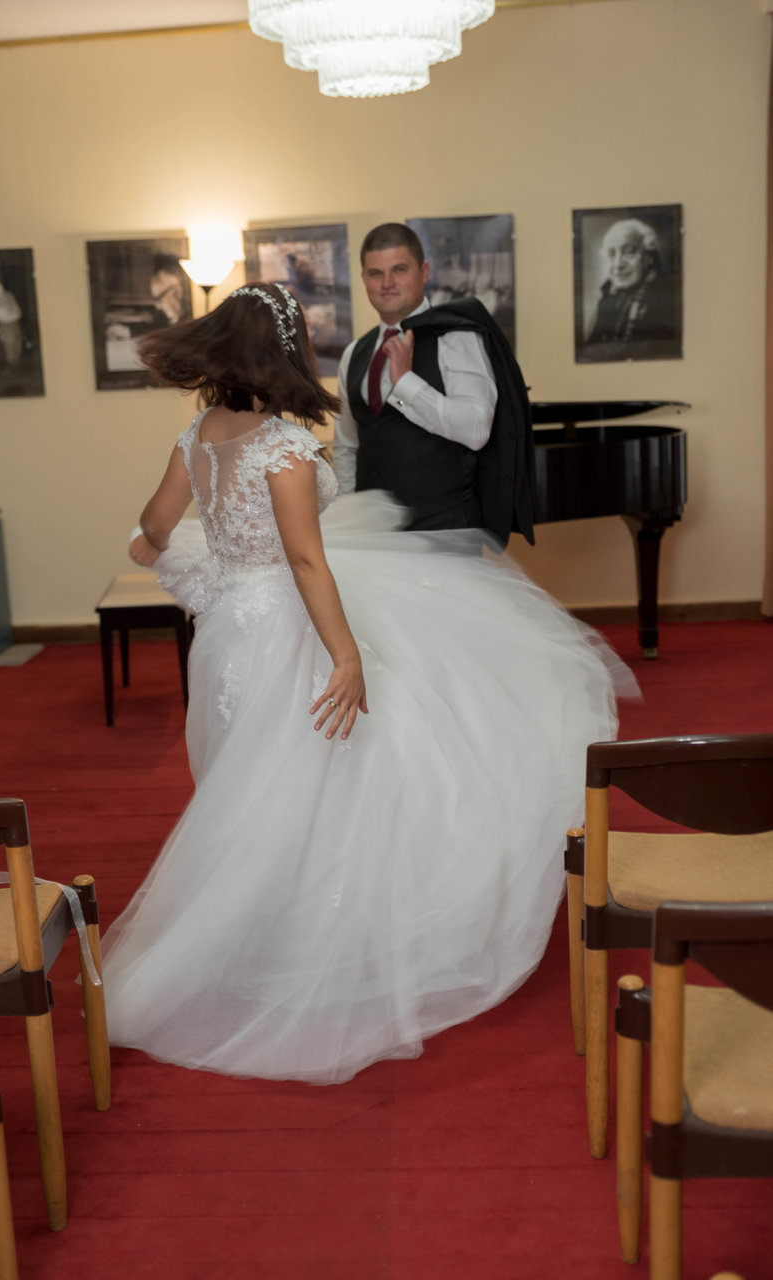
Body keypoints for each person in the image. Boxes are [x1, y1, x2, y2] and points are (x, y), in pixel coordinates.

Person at [101, 280, 633, 1086]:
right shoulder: (283, 446)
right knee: (312, 780)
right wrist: (346, 657)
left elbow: (153, 525)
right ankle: (311, 942)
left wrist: (174, 556)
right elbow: (306, 562)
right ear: (283, 353)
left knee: (249, 783)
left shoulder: (196, 436)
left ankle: (255, 933)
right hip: (285, 632)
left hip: (225, 636)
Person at [332, 223, 535, 548]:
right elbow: (347, 447)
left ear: (424, 271)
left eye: (399, 270)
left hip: (445, 535)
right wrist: (348, 518)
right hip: (374, 541)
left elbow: (477, 429)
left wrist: (406, 383)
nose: (387, 283)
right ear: (363, 279)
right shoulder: (353, 353)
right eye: (375, 273)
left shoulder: (457, 338)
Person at [586, 218, 677, 346]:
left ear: (649, 257)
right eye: (611, 255)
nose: (618, 264)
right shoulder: (607, 297)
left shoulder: (664, 299)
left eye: (628, 252)